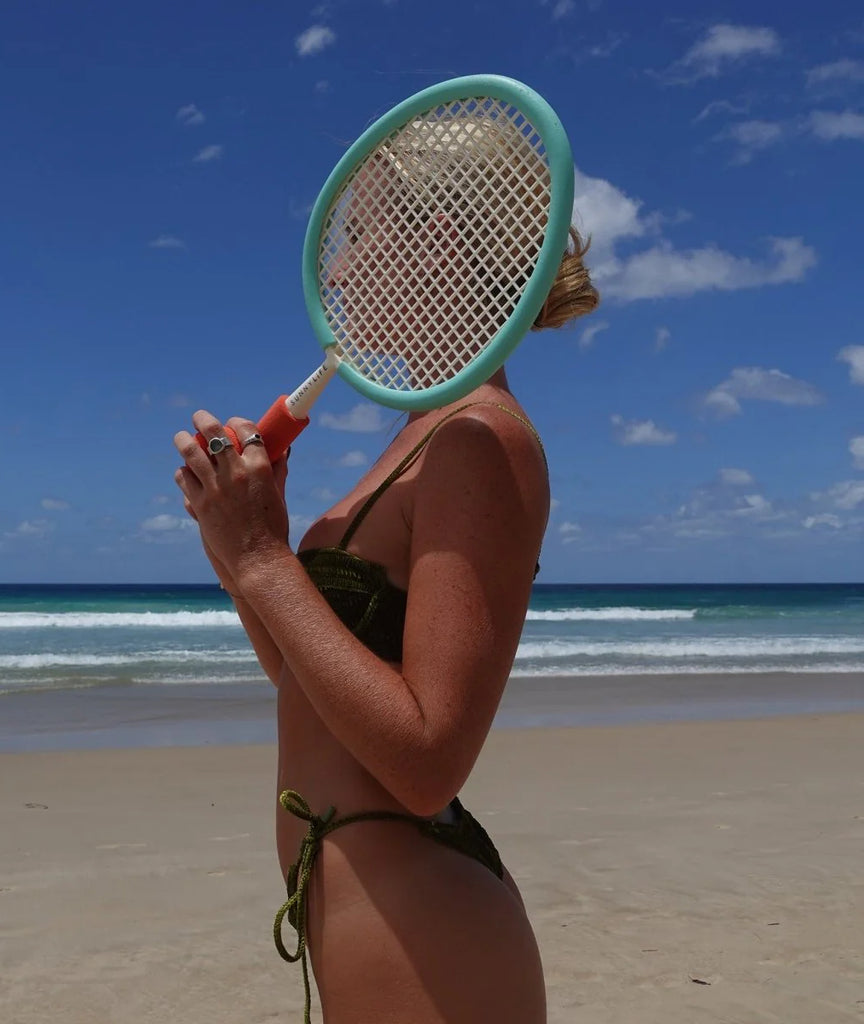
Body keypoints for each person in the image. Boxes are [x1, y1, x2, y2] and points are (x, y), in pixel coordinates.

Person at [174, 121, 599, 1021]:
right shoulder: (420, 436)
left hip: (424, 938)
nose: (337, 266)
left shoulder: (479, 438)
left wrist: (263, 563)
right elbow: (311, 690)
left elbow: (426, 761)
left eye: (358, 231)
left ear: (437, 240)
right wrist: (246, 551)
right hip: (378, 927)